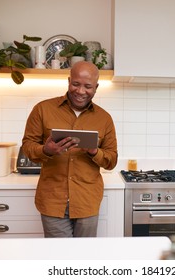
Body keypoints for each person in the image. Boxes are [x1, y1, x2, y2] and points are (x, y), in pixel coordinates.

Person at [22, 61, 118, 237]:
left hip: (87, 200)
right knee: (59, 256)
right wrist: (47, 150)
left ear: (96, 87)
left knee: (83, 258)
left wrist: (94, 152)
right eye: (76, 84)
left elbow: (111, 161)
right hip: (52, 200)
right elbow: (28, 147)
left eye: (88, 86)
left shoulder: (105, 119)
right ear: (68, 81)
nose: (81, 91)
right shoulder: (42, 109)